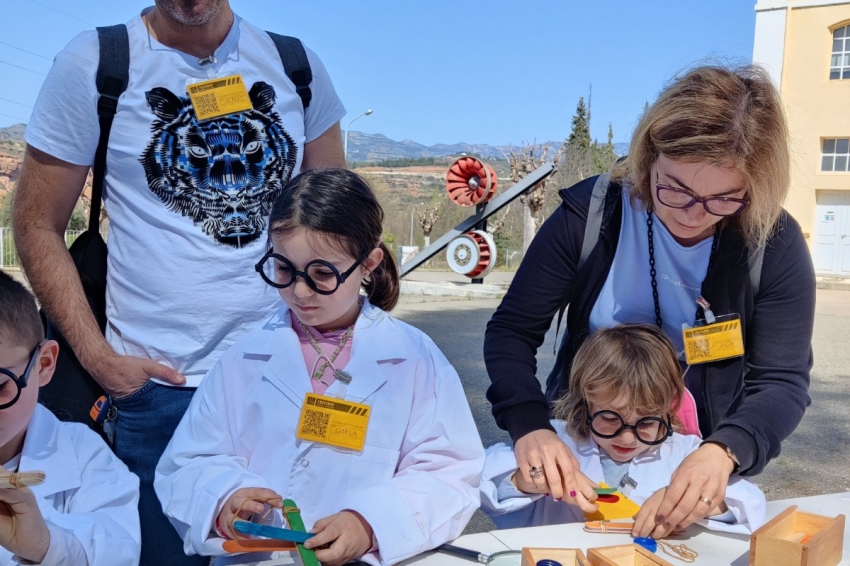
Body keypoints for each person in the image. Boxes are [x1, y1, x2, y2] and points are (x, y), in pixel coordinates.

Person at [13, 1, 346, 563]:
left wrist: (337, 353)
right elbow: (35, 223)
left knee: (299, 554)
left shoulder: (295, 67)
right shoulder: (97, 62)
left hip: (287, 382)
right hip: (157, 392)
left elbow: (339, 228)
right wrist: (100, 361)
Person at [483, 64, 815, 538]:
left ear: (755, 189)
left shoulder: (773, 242)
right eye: (674, 188)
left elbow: (781, 381)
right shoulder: (591, 214)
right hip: (588, 434)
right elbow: (512, 331)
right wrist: (529, 426)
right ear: (647, 158)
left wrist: (723, 452)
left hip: (697, 448)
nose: (692, 214)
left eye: (723, 199)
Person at [154, 168, 485, 566]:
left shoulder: (412, 357)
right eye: (283, 270)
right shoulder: (244, 358)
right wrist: (226, 497)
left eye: (323, 274)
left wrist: (369, 523)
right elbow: (189, 462)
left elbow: (451, 471)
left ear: (369, 263)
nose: (299, 291)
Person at [481, 324, 765, 537]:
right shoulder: (556, 440)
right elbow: (479, 481)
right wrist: (526, 479)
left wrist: (693, 501)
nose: (627, 437)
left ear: (669, 408)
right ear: (586, 401)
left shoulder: (686, 452)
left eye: (647, 422)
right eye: (609, 418)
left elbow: (750, 506)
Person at [0, 270, 140, 565]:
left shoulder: (85, 457)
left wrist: (47, 545)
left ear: (44, 364)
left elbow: (119, 551)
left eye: (0, 385)